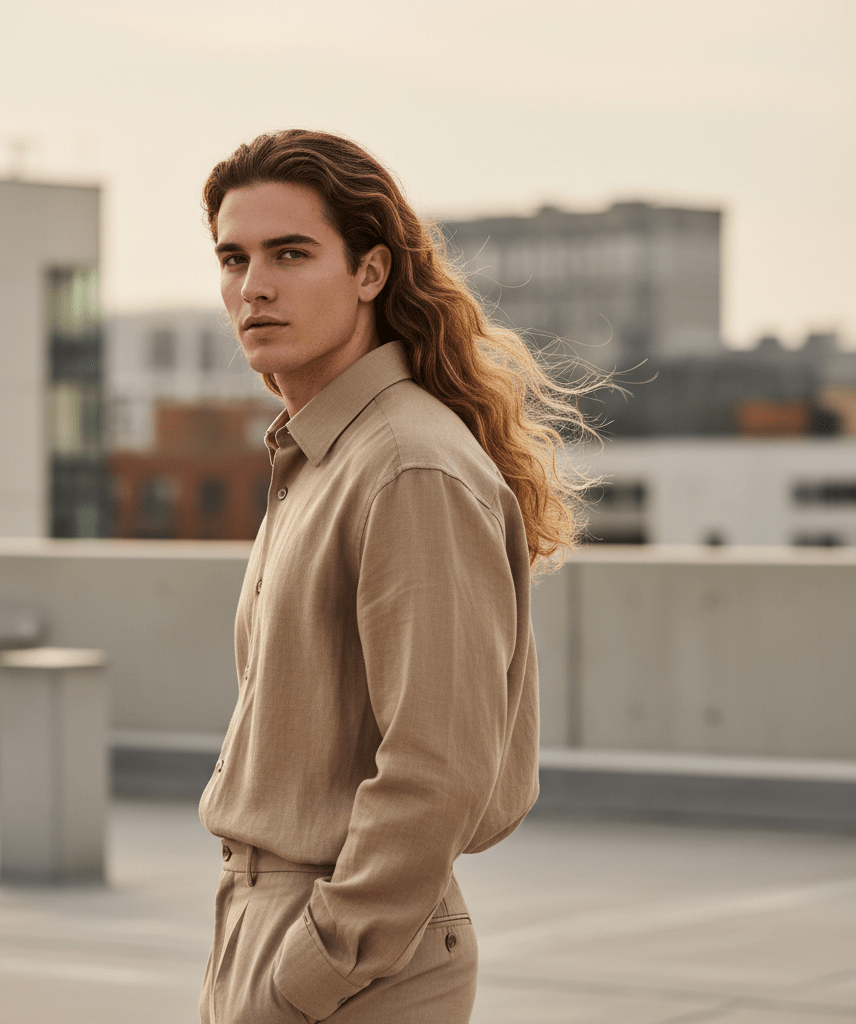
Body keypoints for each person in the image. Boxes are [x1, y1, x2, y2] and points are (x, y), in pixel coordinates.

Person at [197, 129, 590, 1023]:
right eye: (233, 257)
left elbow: (438, 764)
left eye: (290, 253)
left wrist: (317, 966)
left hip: (352, 958)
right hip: (272, 924)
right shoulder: (326, 457)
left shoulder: (407, 465)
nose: (253, 286)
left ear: (370, 271)